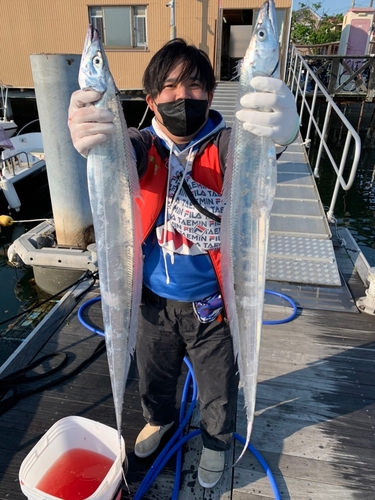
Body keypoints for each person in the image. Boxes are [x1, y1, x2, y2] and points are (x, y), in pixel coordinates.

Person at [68, 39, 299, 489]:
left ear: (211, 96)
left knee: (217, 384)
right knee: (154, 375)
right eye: (169, 87)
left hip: (210, 307)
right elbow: (124, 151)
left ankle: (216, 442)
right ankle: (161, 420)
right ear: (150, 100)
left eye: (194, 86)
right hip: (153, 302)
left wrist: (281, 135)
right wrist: (95, 138)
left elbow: (252, 155)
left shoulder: (227, 143)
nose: (182, 96)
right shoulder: (140, 145)